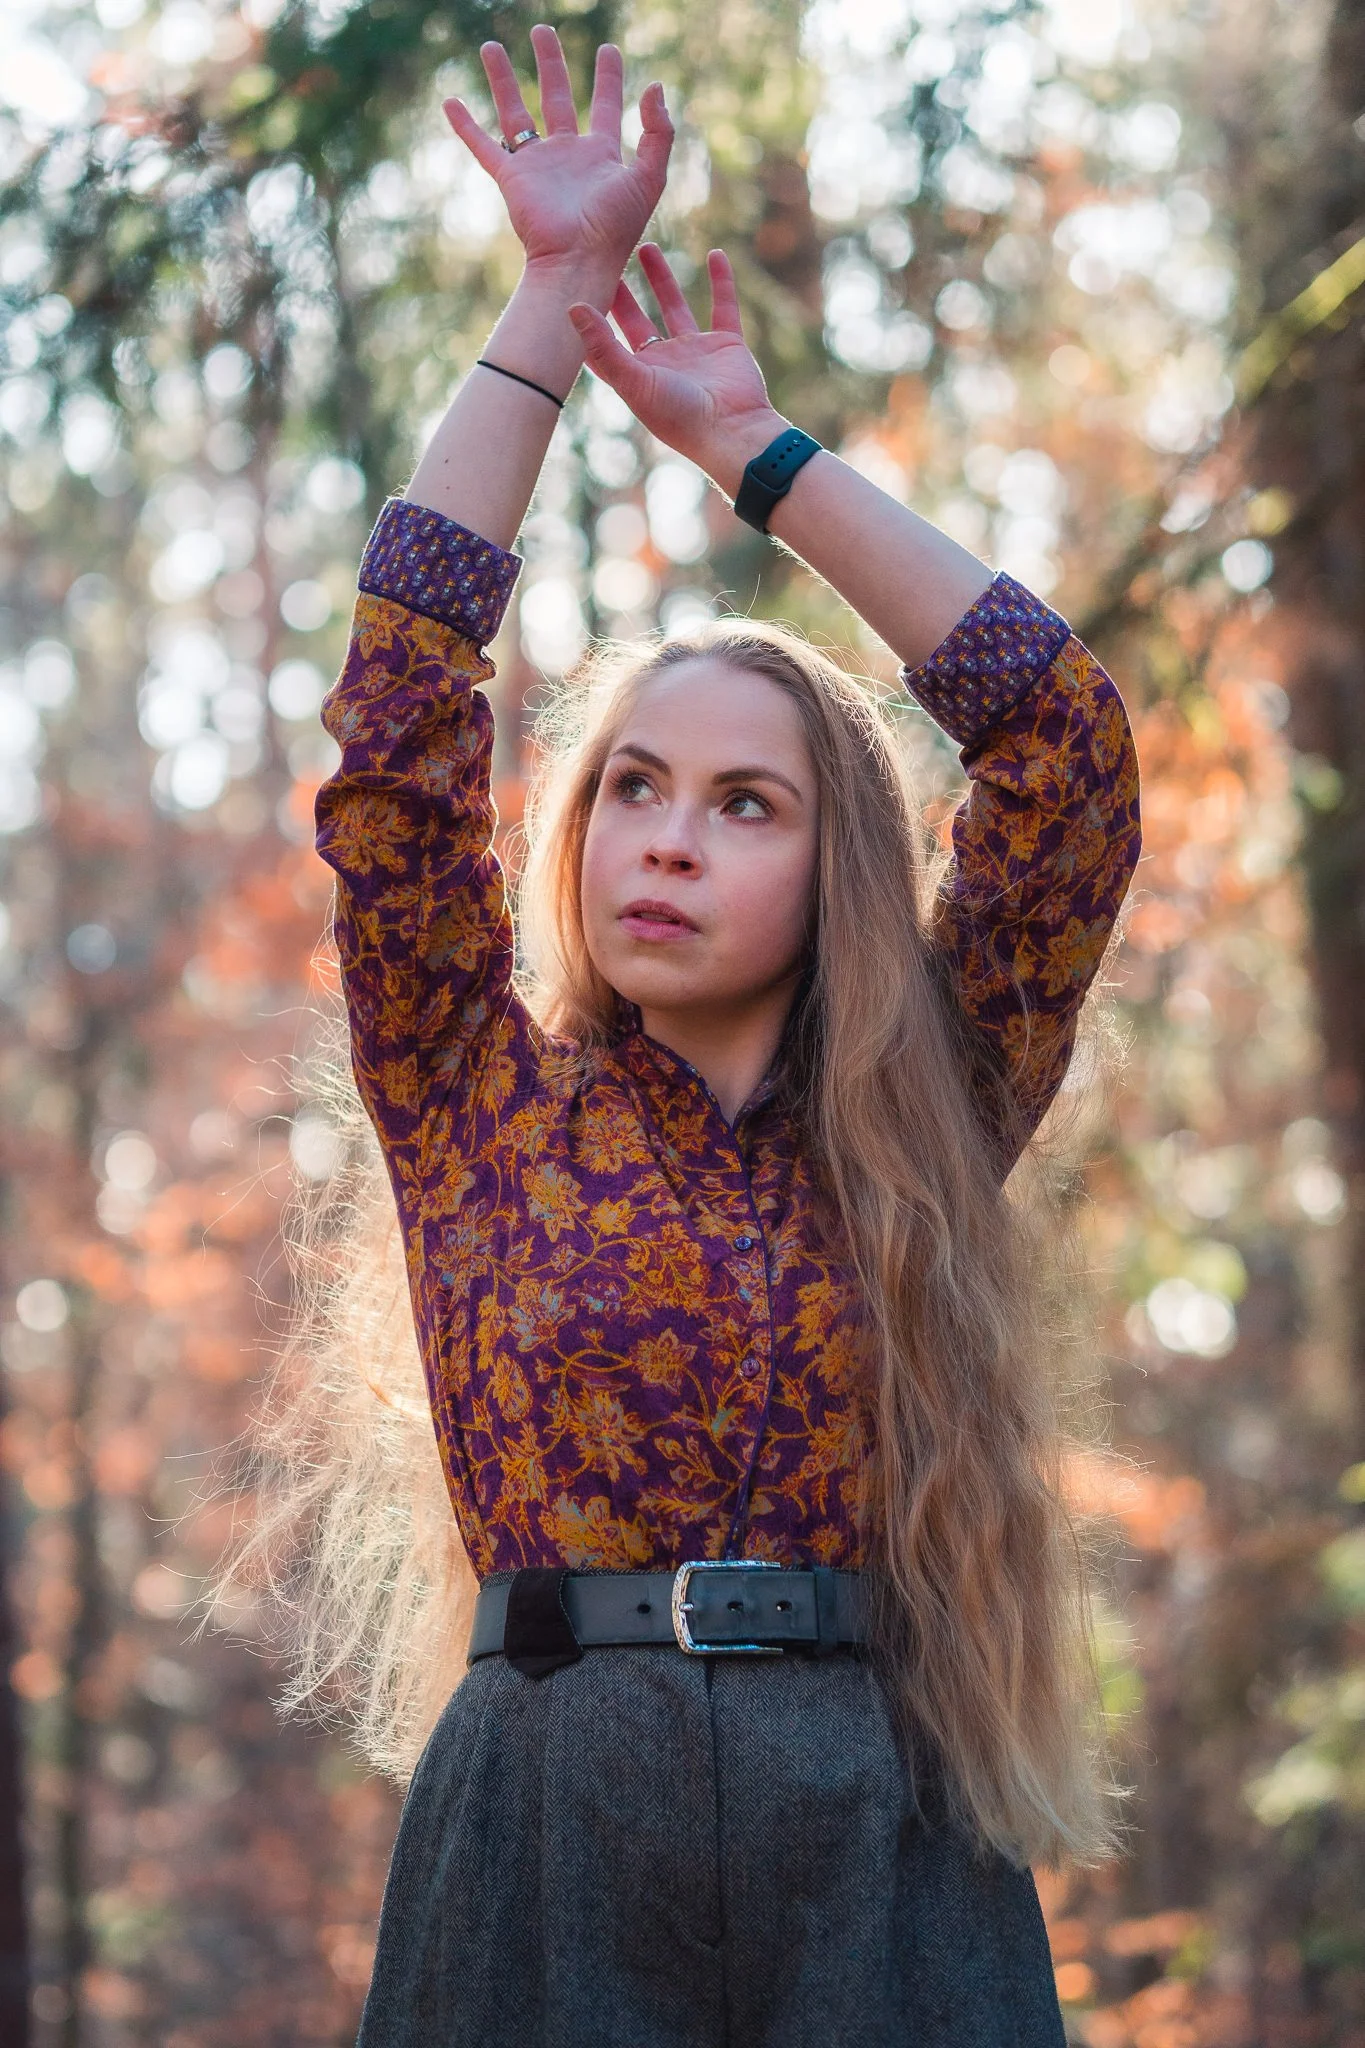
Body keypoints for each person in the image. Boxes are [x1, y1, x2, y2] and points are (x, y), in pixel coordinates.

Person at [301, 23, 1142, 2046]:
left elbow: (1063, 751)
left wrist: (756, 455)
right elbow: (407, 690)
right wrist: (546, 304)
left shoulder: (924, 1101)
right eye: (631, 788)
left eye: (743, 802)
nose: (665, 840)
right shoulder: (465, 1083)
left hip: (885, 1829)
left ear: (830, 865)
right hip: (541, 1838)